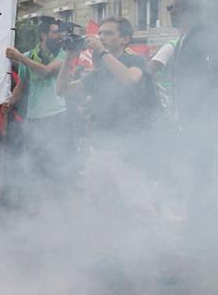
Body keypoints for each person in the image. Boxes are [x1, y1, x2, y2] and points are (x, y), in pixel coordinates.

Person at [55, 17, 155, 219]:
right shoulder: (98, 72)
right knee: (96, 203)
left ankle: (154, 247)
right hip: (101, 147)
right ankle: (106, 246)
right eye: (100, 33)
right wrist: (70, 57)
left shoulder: (134, 60)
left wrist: (101, 50)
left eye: (108, 33)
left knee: (139, 205)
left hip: (130, 146)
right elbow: (62, 89)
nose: (101, 37)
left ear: (124, 39)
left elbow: (129, 79)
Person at [166, 0, 218, 244]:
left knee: (204, 171)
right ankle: (199, 223)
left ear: (188, 10)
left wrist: (210, 116)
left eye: (174, 7)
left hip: (205, 118)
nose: (170, 11)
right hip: (192, 117)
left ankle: (202, 229)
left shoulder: (208, 36)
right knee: (196, 170)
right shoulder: (186, 37)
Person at [6, 17, 68, 208]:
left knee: (56, 163)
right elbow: (21, 86)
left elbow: (47, 71)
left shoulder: (63, 54)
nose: (60, 36)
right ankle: (37, 207)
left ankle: (59, 206)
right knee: (34, 164)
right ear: (44, 35)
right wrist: (8, 102)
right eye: (55, 32)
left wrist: (19, 58)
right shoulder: (28, 55)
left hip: (57, 117)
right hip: (34, 118)